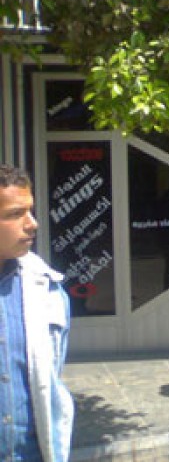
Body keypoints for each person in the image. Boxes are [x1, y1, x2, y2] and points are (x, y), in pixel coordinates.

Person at [0, 163, 74, 461]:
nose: (32, 224)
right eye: (15, 214)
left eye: (30, 210)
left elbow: (51, 382)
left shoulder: (48, 291)